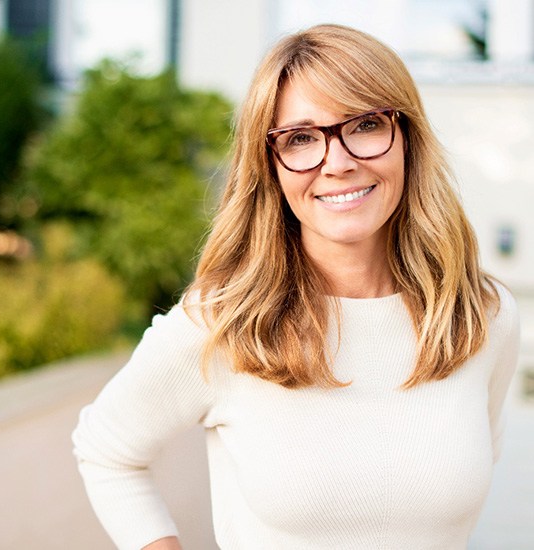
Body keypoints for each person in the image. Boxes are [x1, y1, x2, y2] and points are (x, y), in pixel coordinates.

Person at [72, 24, 520, 550]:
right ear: (270, 166)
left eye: (367, 124)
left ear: (408, 140)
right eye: (301, 138)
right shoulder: (224, 323)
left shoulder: (482, 316)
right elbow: (106, 451)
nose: (338, 161)